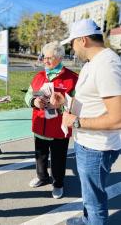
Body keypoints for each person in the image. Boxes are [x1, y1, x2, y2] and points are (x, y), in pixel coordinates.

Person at [61, 19, 121, 225]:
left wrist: (76, 122)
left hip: (97, 147)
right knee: (89, 194)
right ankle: (87, 221)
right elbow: (89, 99)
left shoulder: (107, 65)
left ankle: (92, 220)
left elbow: (117, 119)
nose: (72, 48)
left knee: (94, 200)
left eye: (72, 43)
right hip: (87, 142)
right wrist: (64, 102)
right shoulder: (93, 63)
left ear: (83, 40)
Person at [25, 41, 78, 199]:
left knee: (58, 158)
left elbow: (77, 104)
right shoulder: (39, 76)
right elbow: (28, 95)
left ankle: (58, 183)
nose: (44, 61)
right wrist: (33, 102)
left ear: (60, 57)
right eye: (43, 57)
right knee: (40, 155)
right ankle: (42, 177)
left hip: (59, 127)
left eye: (49, 58)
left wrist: (62, 104)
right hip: (40, 124)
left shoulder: (72, 78)